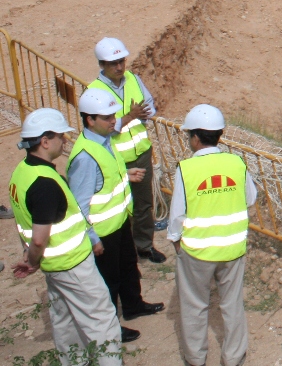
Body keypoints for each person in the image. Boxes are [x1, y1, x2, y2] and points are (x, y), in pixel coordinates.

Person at [9, 109, 122, 366]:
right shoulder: (45, 183)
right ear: (45, 141)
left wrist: (34, 258)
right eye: (61, 136)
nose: (66, 141)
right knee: (102, 321)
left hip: (55, 267)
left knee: (65, 322)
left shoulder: (21, 173)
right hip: (72, 264)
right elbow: (39, 238)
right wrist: (32, 261)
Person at [68, 89, 164, 343]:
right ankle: (111, 327)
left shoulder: (104, 140)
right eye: (107, 117)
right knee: (107, 281)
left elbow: (106, 178)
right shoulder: (85, 156)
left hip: (119, 222)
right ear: (89, 119)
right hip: (103, 231)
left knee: (128, 267)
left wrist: (127, 174)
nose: (114, 121)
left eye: (113, 115)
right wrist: (92, 238)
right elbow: (79, 205)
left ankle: (133, 305)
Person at [168, 104, 257, 366]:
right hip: (232, 249)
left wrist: (176, 241)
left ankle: (196, 359)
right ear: (219, 135)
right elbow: (250, 198)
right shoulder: (236, 163)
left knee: (195, 306)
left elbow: (177, 215)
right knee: (232, 305)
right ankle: (234, 358)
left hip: (197, 252)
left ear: (195, 138)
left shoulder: (185, 170)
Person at [86, 37, 165, 263]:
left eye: (122, 61)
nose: (120, 67)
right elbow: (100, 130)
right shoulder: (95, 92)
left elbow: (150, 107)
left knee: (143, 204)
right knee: (119, 207)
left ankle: (144, 246)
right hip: (115, 160)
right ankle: (124, 251)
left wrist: (142, 114)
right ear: (102, 65)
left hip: (141, 153)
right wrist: (130, 117)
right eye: (113, 63)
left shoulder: (133, 79)